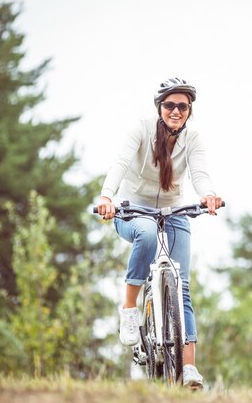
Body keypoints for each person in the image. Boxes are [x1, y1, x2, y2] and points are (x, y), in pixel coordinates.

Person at [95, 77, 222, 388]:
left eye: (182, 106)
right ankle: (129, 310)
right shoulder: (141, 129)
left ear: (190, 110)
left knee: (183, 284)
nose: (176, 111)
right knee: (148, 234)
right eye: (170, 105)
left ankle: (189, 368)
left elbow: (200, 173)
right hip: (132, 209)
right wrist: (106, 197)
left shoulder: (193, 139)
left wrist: (208, 195)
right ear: (159, 108)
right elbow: (121, 163)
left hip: (174, 209)